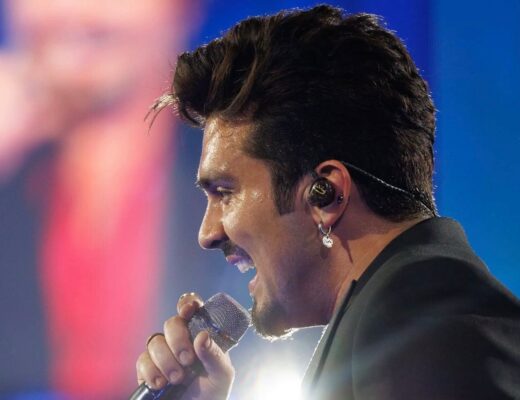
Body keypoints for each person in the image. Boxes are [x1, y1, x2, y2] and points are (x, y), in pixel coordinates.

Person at [136, 5, 520, 399]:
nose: (207, 234)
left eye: (224, 192)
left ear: (326, 195)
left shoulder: (423, 337)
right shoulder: (407, 323)